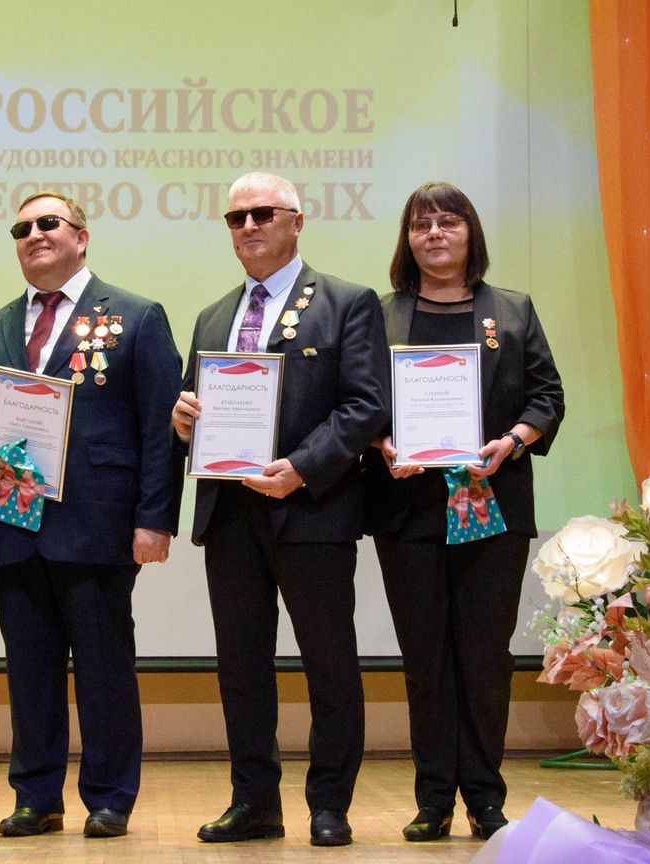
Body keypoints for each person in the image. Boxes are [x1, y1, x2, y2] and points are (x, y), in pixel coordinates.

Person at [0, 191, 183, 839]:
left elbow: (161, 428)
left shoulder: (135, 316)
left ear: (81, 236)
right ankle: (36, 796)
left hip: (98, 524)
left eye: (48, 223)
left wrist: (155, 518)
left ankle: (109, 796)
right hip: (13, 520)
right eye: (21, 228)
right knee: (29, 671)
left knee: (104, 669)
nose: (33, 234)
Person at [172, 172, 390, 847]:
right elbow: (194, 405)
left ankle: (330, 804)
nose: (248, 226)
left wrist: (301, 469)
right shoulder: (213, 316)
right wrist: (182, 419)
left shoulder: (348, 302)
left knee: (329, 663)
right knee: (241, 667)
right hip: (231, 513)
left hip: (313, 508)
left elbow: (366, 406)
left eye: (262, 214)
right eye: (236, 218)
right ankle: (255, 803)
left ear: (297, 221)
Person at [364, 182, 564, 842]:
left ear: (470, 232)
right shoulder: (381, 316)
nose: (435, 234)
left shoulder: (511, 310)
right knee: (425, 659)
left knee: (483, 658)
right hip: (409, 510)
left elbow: (547, 397)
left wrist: (511, 443)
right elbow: (357, 402)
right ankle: (433, 800)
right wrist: (382, 442)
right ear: (407, 239)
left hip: (491, 509)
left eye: (448, 221)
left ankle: (484, 796)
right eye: (421, 224)